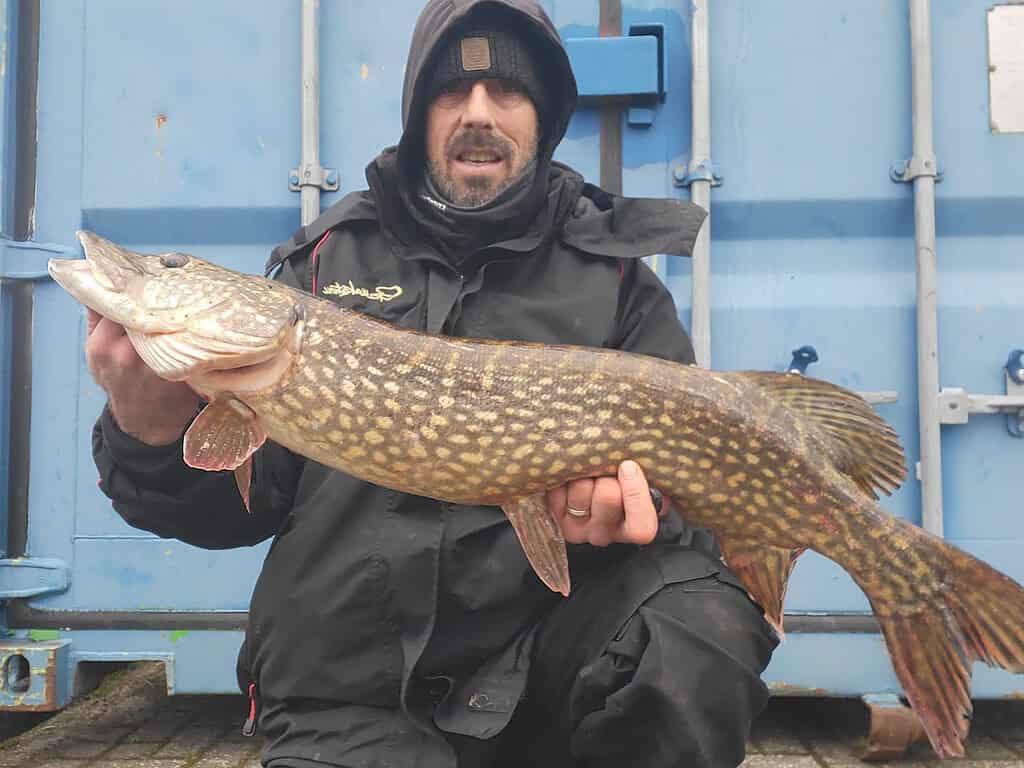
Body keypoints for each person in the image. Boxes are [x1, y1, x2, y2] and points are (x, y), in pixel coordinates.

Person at [87, 1, 777, 766]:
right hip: (346, 692)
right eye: (452, 92)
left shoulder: (617, 281)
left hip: (546, 672)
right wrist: (150, 431)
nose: (478, 113)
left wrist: (631, 516)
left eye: (506, 92)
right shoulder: (319, 269)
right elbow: (236, 513)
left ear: (542, 118)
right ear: (419, 112)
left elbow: (692, 521)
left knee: (693, 628)